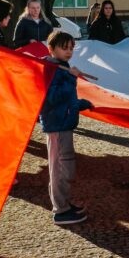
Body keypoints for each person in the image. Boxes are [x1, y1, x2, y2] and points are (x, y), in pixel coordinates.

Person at [40, 31, 96, 226]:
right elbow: (52, 97)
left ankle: (64, 203)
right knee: (59, 169)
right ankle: (60, 210)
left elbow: (67, 101)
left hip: (64, 125)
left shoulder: (62, 68)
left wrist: (83, 104)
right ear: (51, 49)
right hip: (56, 127)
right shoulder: (51, 69)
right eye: (64, 48)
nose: (69, 51)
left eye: (71, 48)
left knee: (66, 166)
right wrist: (72, 78)